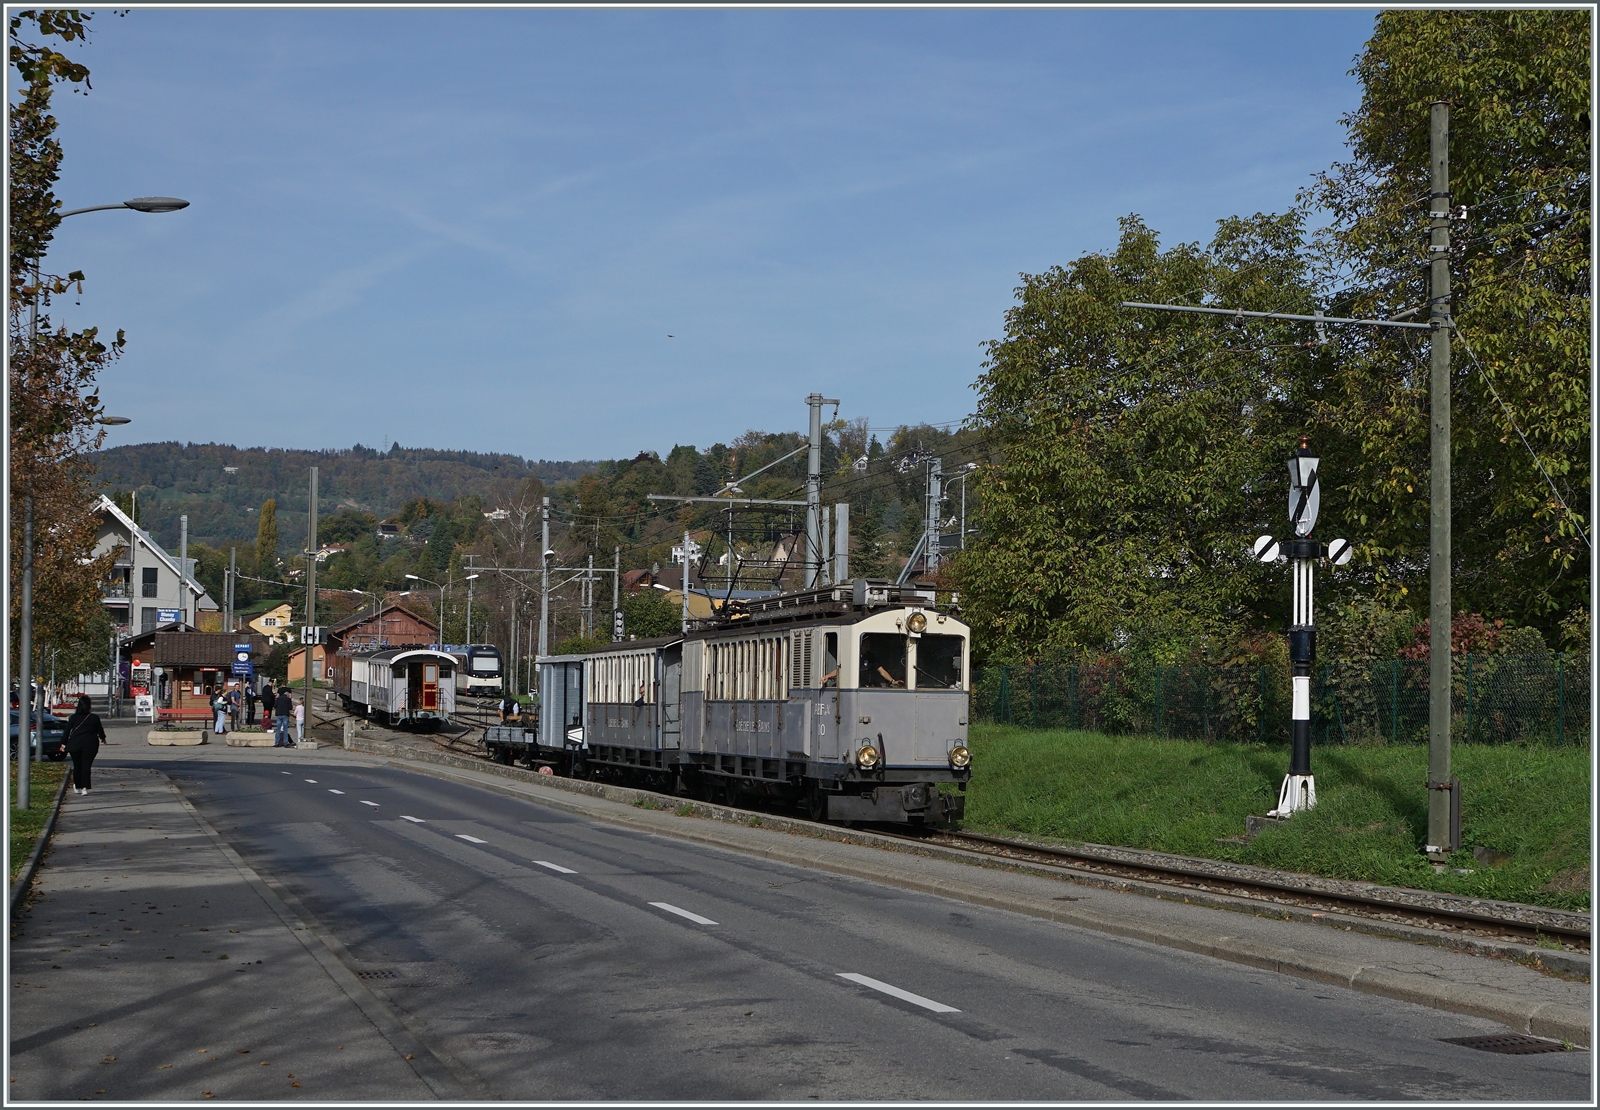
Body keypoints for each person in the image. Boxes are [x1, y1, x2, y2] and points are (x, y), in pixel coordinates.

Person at [63, 694, 105, 795]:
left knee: (77, 766)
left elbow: (67, 731)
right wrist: (103, 738)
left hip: (75, 745)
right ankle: (84, 788)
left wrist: (63, 743)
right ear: (89, 705)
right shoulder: (94, 718)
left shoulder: (73, 718)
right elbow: (100, 730)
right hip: (90, 745)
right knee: (86, 766)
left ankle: (77, 785)